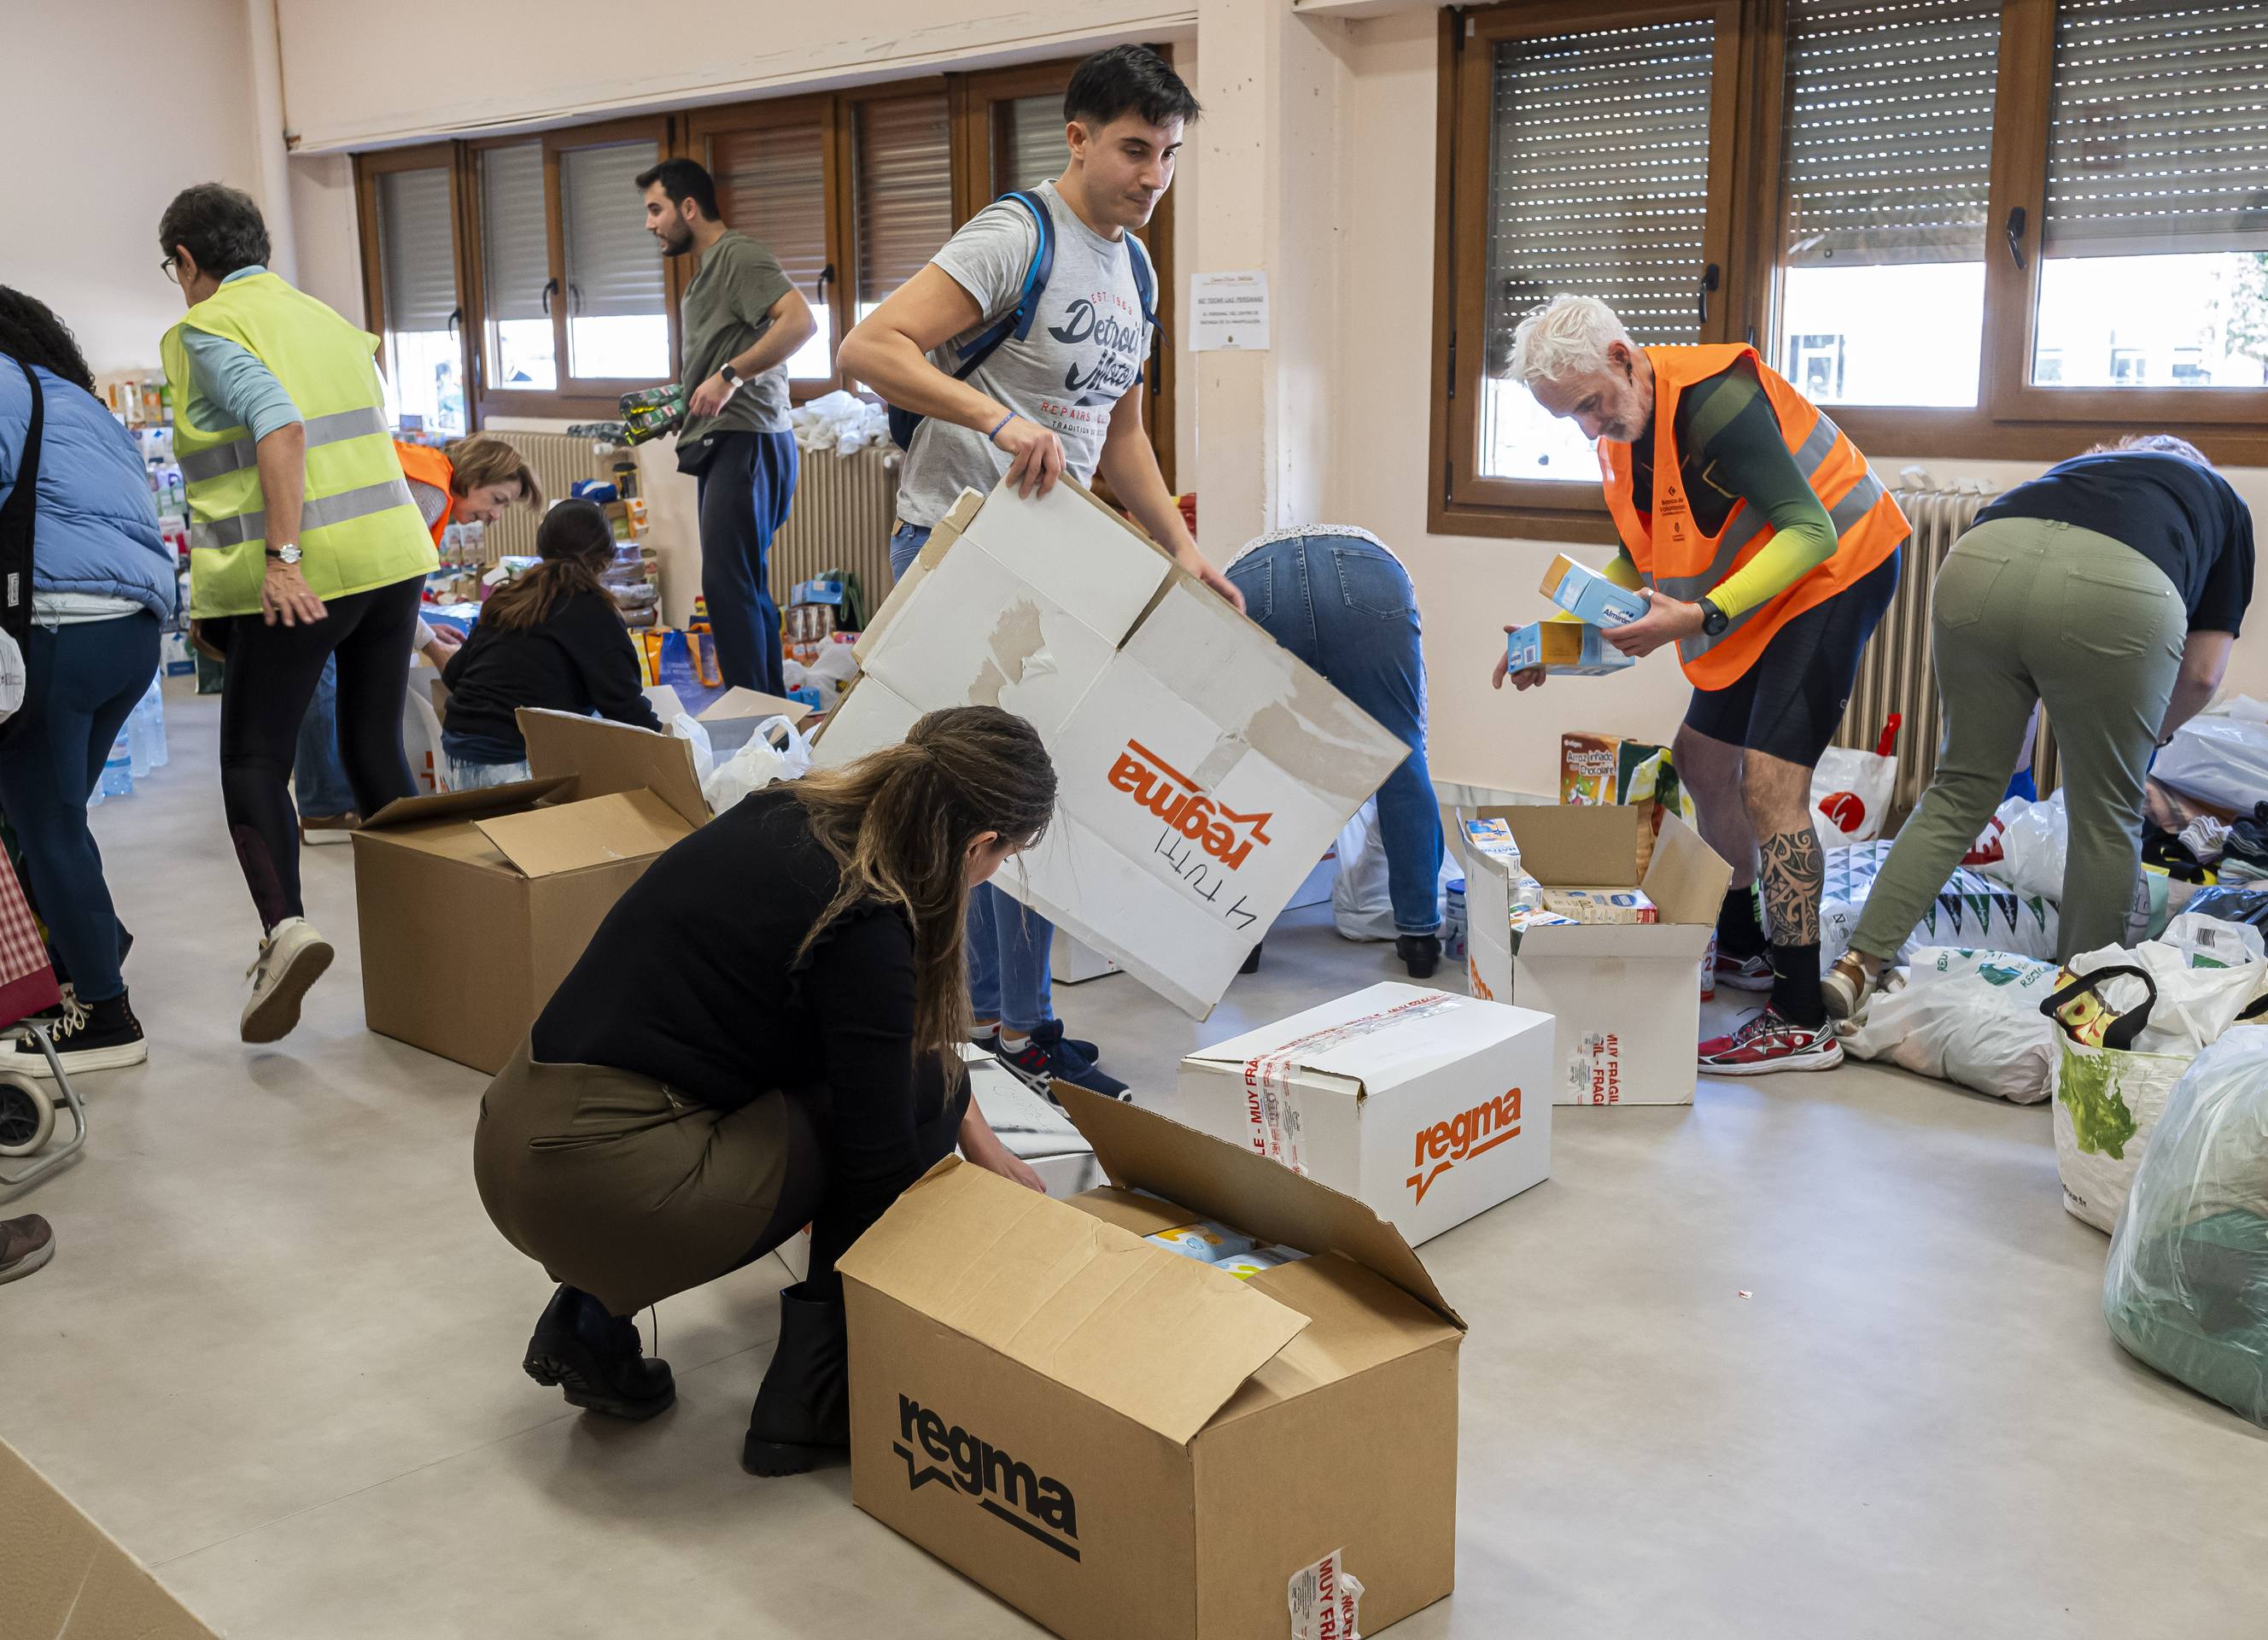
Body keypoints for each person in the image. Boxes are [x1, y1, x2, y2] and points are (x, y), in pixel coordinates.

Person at [473, 706, 1054, 1475]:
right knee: (916, 1099)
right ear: (981, 846)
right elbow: (879, 1156)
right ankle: (809, 1403)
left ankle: (589, 1321)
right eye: (1005, 858)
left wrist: (977, 1137)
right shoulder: (869, 915)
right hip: (607, 1189)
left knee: (903, 1079)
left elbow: (870, 1033)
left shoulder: (789, 810)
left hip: (514, 1141)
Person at [838, 43, 1239, 1101]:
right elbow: (869, 348)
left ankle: (1020, 1026)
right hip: (957, 545)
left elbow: (1122, 435)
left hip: (1055, 560)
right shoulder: (1019, 234)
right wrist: (998, 417)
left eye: (1168, 154)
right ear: (1077, 138)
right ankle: (958, 1032)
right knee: (964, 807)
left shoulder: (1136, 269)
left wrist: (1183, 548)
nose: (1153, 175)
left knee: (1025, 805)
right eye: (1133, 149)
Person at [1493, 295, 1907, 1075]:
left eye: (1592, 405)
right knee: (1704, 762)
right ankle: (1751, 945)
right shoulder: (1621, 439)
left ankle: (1798, 1015)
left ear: (1623, 356)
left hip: (1835, 569)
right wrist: (1551, 642)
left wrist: (1702, 615)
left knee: (1770, 784)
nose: (1590, 427)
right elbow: (1636, 572)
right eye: (1569, 419)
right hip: (1756, 586)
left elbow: (1811, 531)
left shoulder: (1718, 402)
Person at [1824, 436, 2254, 1019]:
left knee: (1957, 792)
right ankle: (2077, 1010)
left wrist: (2012, 759)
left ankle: (1856, 968)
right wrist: (2146, 736)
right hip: (2117, 587)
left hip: (1979, 562)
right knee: (2105, 816)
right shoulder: (2219, 499)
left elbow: (2016, 705)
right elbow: (2202, 676)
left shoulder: (2079, 468)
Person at [158, 183, 439, 1043]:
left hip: (306, 575)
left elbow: (278, 427)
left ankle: (284, 930)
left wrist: (280, 559)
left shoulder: (207, 329)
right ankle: (436, 928)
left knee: (251, 759)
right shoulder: (329, 322)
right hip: (391, 564)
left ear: (187, 263)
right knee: (371, 747)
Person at [0, 288, 176, 1075]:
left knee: (46, 821)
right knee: (55, 814)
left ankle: (107, 1017)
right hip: (127, 636)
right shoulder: (80, 401)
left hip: (56, 632)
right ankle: (76, 963)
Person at [294, 433, 543, 839]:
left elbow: (389, 585)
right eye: (497, 500)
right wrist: (430, 645)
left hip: (324, 579)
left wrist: (422, 627)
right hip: (321, 586)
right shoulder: (428, 494)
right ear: (475, 476)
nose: (496, 516)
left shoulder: (427, 477)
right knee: (358, 714)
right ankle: (337, 812)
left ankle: (336, 808)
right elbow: (382, 584)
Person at [639, 156, 818, 697]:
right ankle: (768, 716)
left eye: (656, 209)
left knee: (725, 585)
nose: (650, 224)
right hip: (728, 438)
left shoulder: (738, 255)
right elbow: (720, 356)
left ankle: (756, 719)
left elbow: (801, 321)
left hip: (749, 438)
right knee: (738, 585)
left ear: (688, 208)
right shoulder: (708, 271)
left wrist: (730, 377)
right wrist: (683, 404)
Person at [1229, 525, 1443, 977]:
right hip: (1370, 566)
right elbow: (1417, 727)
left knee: (1257, 764)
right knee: (1402, 752)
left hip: (1252, 574)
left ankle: (1242, 937)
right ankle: (1419, 937)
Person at [438, 498, 662, 788]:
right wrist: (675, 752)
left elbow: (454, 676)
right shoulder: (592, 609)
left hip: (457, 754)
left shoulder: (507, 597)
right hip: (514, 762)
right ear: (607, 557)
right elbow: (624, 706)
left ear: (541, 549)